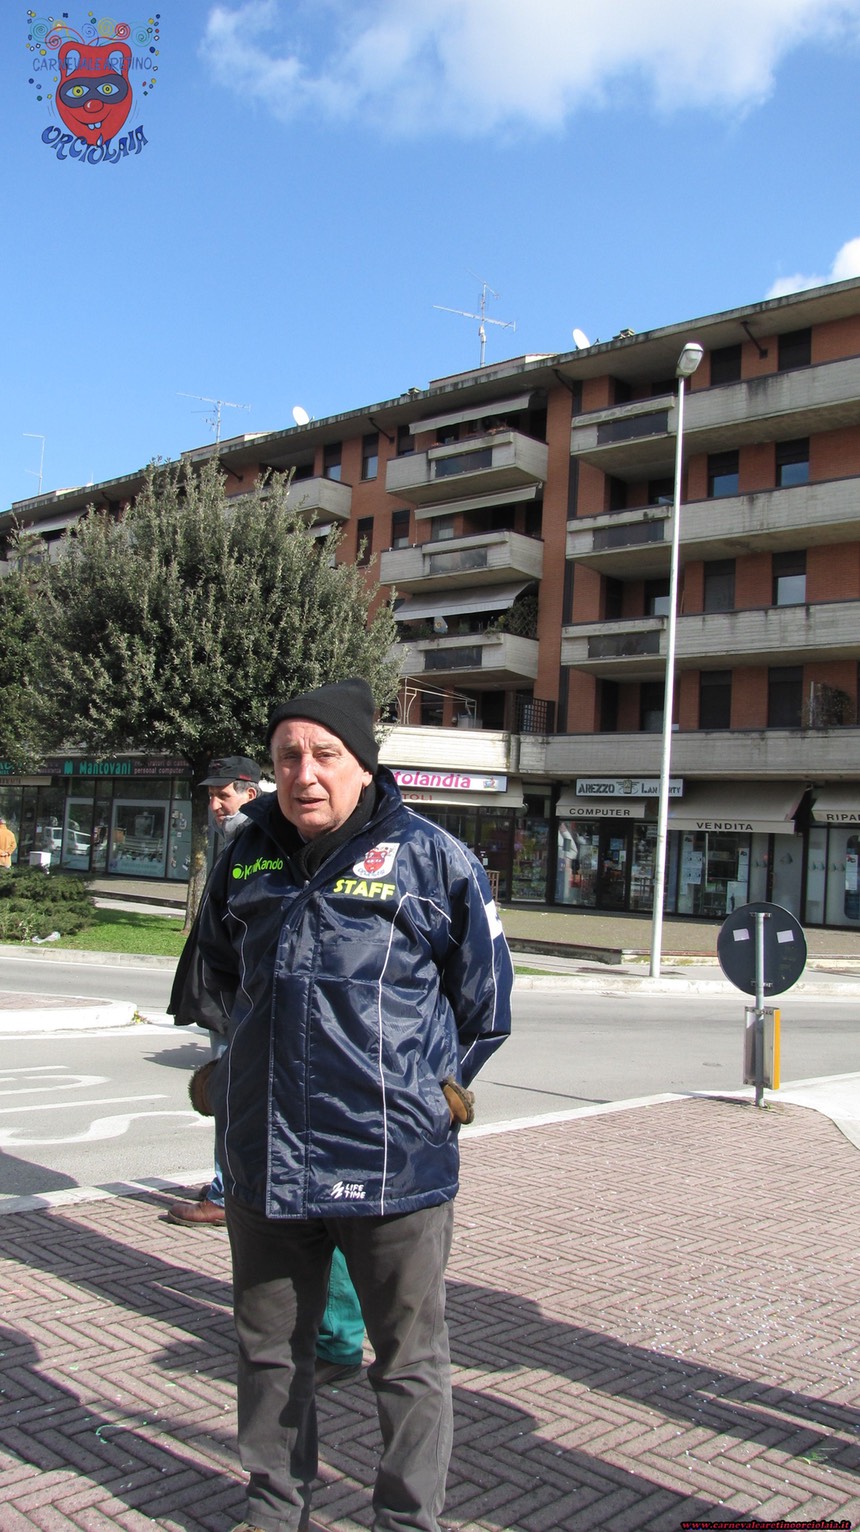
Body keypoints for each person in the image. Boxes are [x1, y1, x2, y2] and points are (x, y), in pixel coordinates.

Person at [195, 677, 513, 1532]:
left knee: (407, 1361)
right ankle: (273, 1511)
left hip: (392, 1167)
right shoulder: (245, 856)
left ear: (363, 764)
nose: (304, 773)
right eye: (287, 756)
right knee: (269, 1354)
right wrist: (241, 1069)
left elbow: (486, 1005)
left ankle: (405, 1520)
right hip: (265, 1161)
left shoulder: (435, 860)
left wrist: (429, 1099)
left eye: (324, 755)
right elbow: (215, 975)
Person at [167, 752, 366, 1388]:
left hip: (331, 1066)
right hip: (263, 1048)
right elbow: (222, 948)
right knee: (281, 1202)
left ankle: (336, 1341)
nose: (215, 804)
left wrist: (439, 1081)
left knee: (329, 1200)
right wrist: (237, 1025)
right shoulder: (246, 847)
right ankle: (307, 1334)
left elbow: (467, 988)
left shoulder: (378, 849)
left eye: (223, 793)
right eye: (289, 761)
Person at [166, 756, 262, 1229]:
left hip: (236, 999)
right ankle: (236, 1188)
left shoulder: (251, 842)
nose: (215, 804)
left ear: (250, 793)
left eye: (223, 795)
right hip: (231, 995)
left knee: (230, 1097)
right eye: (211, 796)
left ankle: (227, 1194)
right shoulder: (235, 840)